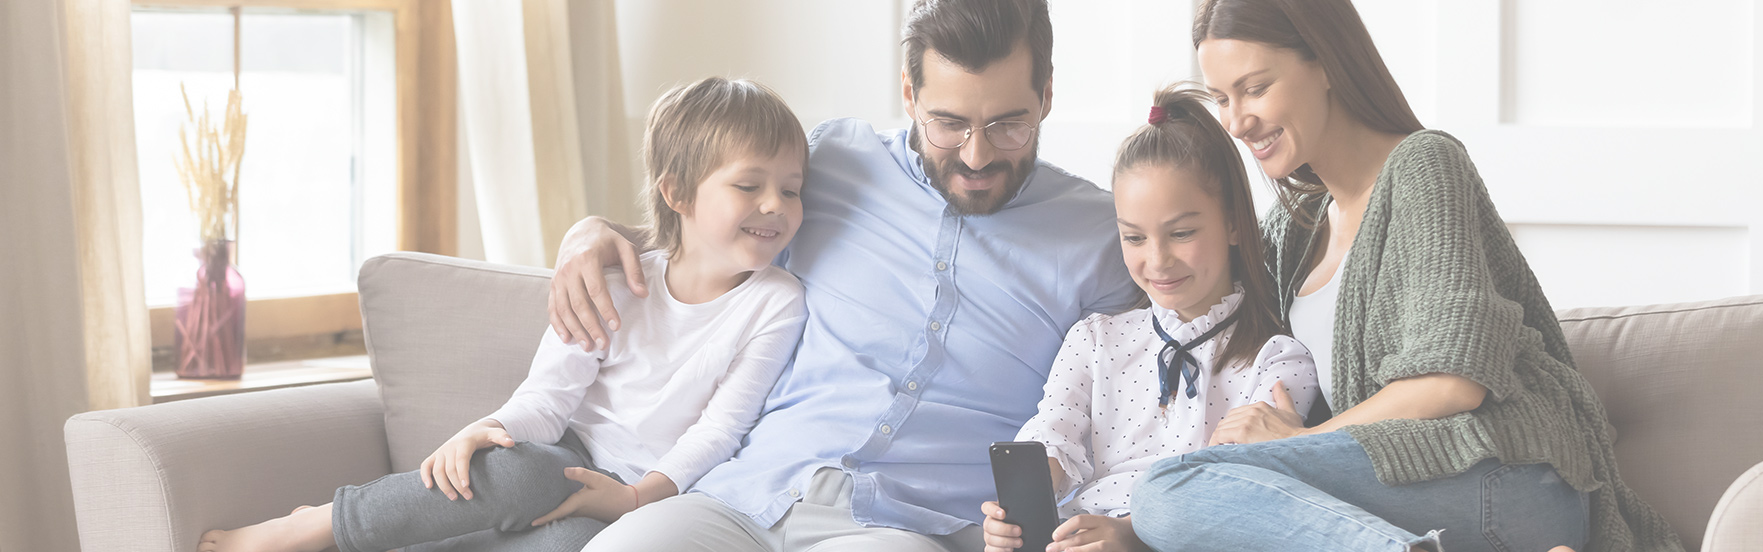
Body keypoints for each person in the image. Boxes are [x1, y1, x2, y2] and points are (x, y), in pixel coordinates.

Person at [563, 1, 1143, 551]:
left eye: (1008, 125)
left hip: (899, 527)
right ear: (910, 93)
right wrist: (595, 232)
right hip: (745, 496)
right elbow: (721, 237)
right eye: (949, 123)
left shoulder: (1103, 236)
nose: (976, 156)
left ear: (1045, 95)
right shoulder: (836, 160)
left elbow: (1154, 391)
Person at [1126, 1, 1686, 551]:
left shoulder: (1424, 165)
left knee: (1167, 490)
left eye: (1255, 88)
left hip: (1504, 475)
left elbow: (1454, 381)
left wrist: (1303, 442)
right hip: (1404, 494)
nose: (1237, 121)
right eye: (1223, 98)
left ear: (1324, 62)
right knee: (1171, 494)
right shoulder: (1289, 231)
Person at [196, 78, 811, 552]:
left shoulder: (777, 301)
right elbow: (548, 395)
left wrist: (632, 498)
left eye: (791, 188)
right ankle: (318, 526)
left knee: (576, 544)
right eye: (748, 185)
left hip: (650, 493)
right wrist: (486, 428)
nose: (774, 205)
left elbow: (721, 429)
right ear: (677, 194)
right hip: (561, 455)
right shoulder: (616, 280)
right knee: (522, 478)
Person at [979, 85, 1319, 552]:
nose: (1157, 261)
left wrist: (1132, 535)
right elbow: (1054, 429)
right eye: (1134, 238)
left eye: (1181, 233)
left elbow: (1234, 493)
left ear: (1235, 223)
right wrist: (1018, 512)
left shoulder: (1278, 362)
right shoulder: (1094, 340)